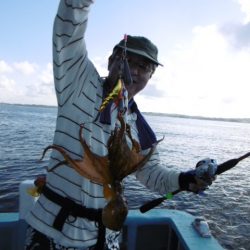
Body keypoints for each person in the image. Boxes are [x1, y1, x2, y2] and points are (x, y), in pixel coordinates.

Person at [25, 1, 215, 249]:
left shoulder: (140, 129)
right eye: (126, 60)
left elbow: (152, 175)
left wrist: (183, 179)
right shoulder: (78, 83)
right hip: (51, 230)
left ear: (151, 76)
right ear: (110, 60)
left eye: (143, 66)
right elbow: (67, 28)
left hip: (106, 238)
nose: (132, 71)